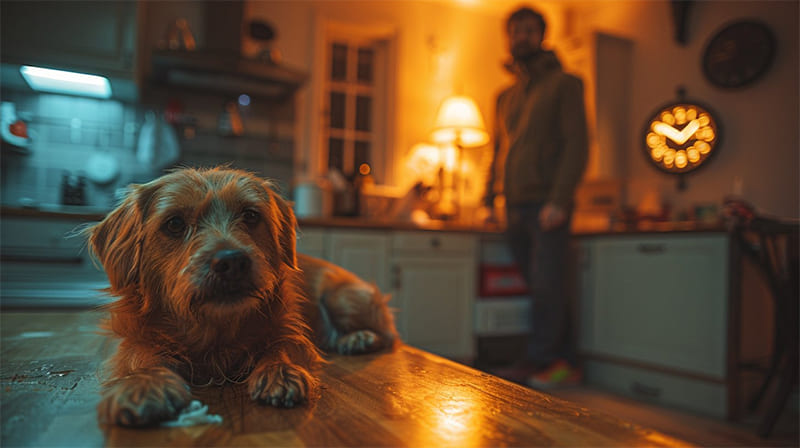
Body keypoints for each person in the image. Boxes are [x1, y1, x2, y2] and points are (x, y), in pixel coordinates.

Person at [483, 6, 588, 389]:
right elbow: (497, 150)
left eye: (530, 30)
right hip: (513, 205)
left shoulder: (566, 84)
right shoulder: (504, 96)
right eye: (516, 31)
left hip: (547, 203)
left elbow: (577, 144)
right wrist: (488, 198)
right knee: (545, 287)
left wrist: (560, 200)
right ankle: (561, 360)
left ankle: (545, 361)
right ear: (508, 37)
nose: (522, 37)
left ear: (542, 36)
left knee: (548, 286)